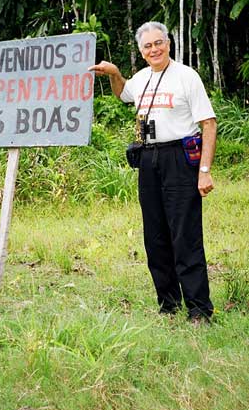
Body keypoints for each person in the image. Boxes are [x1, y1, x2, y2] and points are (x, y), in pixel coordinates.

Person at [89, 21, 217, 322]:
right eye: (147, 46)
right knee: (155, 236)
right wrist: (115, 74)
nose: (154, 49)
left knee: (185, 236)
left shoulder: (186, 77)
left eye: (159, 43)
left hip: (180, 159)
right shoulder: (141, 78)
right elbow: (123, 95)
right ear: (141, 51)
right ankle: (168, 304)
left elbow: (208, 124)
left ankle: (199, 310)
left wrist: (205, 170)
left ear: (168, 44)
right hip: (148, 160)